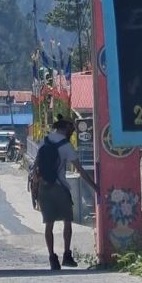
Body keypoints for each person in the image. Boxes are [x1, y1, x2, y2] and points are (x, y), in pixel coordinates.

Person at [33, 115, 97, 270]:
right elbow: (80, 170)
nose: (73, 132)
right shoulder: (67, 146)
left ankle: (52, 258)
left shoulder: (45, 140)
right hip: (60, 188)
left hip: (43, 187)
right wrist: (95, 187)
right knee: (67, 221)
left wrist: (35, 191)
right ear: (67, 128)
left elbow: (36, 167)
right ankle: (67, 255)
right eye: (72, 129)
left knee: (49, 225)